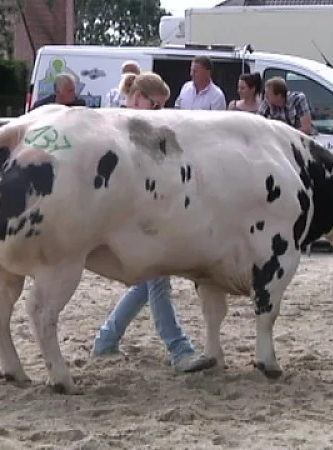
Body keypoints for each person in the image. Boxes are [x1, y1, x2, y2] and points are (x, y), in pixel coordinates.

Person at [92, 71, 214, 373]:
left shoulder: (132, 127)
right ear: (138, 98)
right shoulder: (122, 128)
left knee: (150, 282)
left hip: (138, 216)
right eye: (156, 105)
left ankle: (106, 339)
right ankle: (179, 350)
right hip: (131, 218)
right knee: (157, 281)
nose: (161, 113)